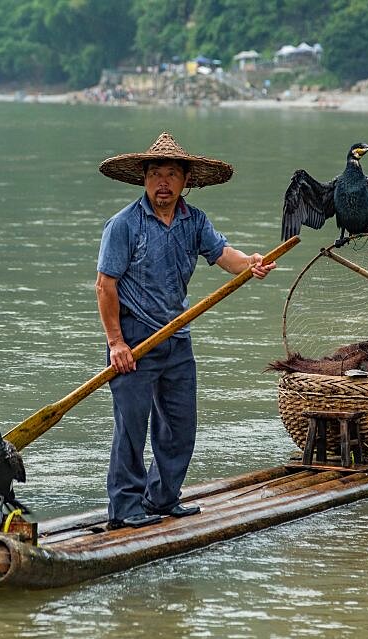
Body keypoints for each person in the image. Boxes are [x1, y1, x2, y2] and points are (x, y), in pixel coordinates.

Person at [95, 131, 276, 530]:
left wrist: (250, 263)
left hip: (176, 336)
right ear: (144, 179)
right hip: (135, 339)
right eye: (156, 174)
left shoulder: (194, 222)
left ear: (185, 182)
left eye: (172, 175)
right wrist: (116, 343)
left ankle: (162, 497)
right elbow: (105, 286)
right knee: (130, 428)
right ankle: (125, 508)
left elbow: (223, 255)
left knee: (179, 426)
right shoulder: (124, 225)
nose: (163, 183)